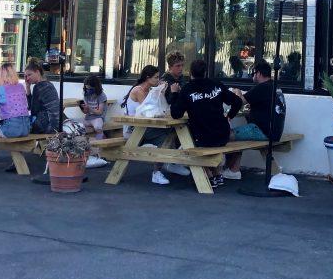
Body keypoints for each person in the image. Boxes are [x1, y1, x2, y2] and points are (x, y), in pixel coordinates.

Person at [170, 59, 243, 189]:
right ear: (205, 72)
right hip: (222, 135)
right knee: (202, 138)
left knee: (186, 142)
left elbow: (176, 114)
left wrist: (174, 93)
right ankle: (216, 173)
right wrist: (229, 116)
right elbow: (237, 101)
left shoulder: (187, 89)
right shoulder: (216, 84)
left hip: (202, 138)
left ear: (191, 73)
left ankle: (209, 174)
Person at [223, 59, 286, 179]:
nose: (252, 75)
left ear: (259, 74)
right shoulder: (274, 87)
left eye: (254, 73)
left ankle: (233, 170)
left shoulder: (261, 88)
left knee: (226, 135)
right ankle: (232, 169)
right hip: (274, 131)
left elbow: (239, 102)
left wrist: (237, 91)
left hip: (262, 130)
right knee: (237, 135)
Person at [121, 65, 171, 185]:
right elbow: (149, 111)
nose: (158, 80)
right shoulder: (139, 90)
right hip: (133, 130)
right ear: (148, 78)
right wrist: (159, 91)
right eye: (156, 77)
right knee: (165, 136)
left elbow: (161, 108)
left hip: (144, 128)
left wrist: (160, 92)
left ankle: (165, 165)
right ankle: (161, 168)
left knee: (168, 136)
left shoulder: (149, 90)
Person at [25, 59, 60, 134]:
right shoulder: (49, 84)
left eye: (29, 75)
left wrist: (27, 88)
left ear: (37, 72)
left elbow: (32, 110)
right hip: (57, 124)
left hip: (47, 126)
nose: (27, 78)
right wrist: (28, 87)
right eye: (26, 76)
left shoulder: (38, 87)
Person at [78, 73, 107, 140]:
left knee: (97, 127)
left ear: (96, 87)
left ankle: (99, 142)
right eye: (87, 88)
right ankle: (85, 143)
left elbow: (100, 112)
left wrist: (89, 108)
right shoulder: (86, 94)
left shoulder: (101, 96)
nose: (88, 90)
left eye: (90, 88)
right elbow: (85, 112)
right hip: (88, 118)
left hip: (98, 118)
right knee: (77, 125)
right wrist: (83, 108)